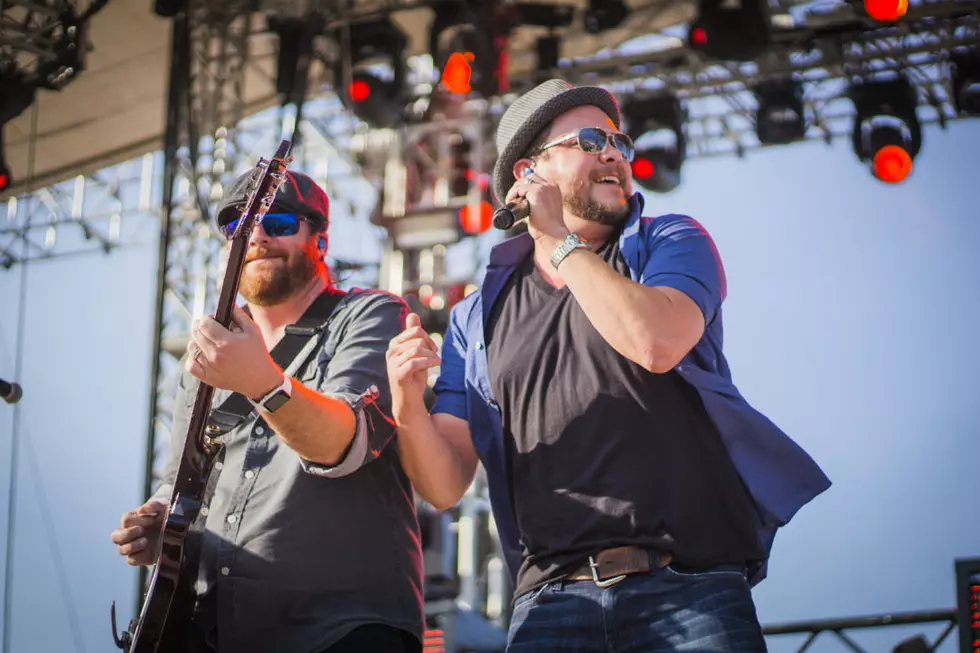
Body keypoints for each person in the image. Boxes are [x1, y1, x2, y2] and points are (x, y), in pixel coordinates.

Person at [386, 78, 831, 652]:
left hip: (690, 588)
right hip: (549, 605)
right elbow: (444, 484)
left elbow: (656, 341)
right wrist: (405, 404)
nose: (614, 153)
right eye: (591, 139)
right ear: (528, 172)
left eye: (621, 141)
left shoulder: (670, 240)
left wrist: (559, 243)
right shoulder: (477, 317)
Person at [110, 171, 424, 653]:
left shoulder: (370, 314)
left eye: (276, 223)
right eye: (238, 229)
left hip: (341, 630)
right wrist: (159, 525)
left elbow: (342, 441)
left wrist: (260, 380)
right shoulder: (201, 363)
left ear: (320, 238)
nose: (255, 236)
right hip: (218, 631)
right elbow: (180, 485)